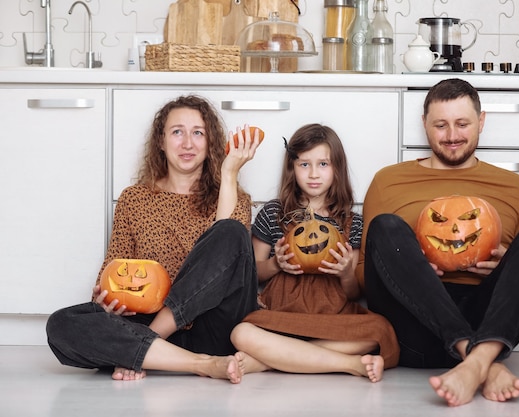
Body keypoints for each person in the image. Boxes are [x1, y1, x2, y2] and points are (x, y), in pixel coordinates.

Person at [357, 78, 519, 406]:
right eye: (441, 125)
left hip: (486, 318)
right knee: (386, 226)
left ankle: (474, 362)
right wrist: (413, 267)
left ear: (481, 122)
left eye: (462, 123)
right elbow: (364, 277)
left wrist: (505, 265)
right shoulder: (388, 181)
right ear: (424, 125)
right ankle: (482, 362)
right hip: (414, 327)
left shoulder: (515, 187)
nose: (452, 136)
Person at [46, 95, 262, 383]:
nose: (187, 143)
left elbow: (226, 250)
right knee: (61, 324)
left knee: (231, 231)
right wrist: (105, 301)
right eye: (177, 132)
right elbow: (113, 271)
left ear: (210, 143)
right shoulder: (133, 200)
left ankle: (141, 347)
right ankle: (201, 364)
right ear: (161, 142)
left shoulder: (234, 195)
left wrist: (229, 173)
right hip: (151, 327)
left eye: (198, 133)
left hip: (214, 326)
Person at [230, 123, 399, 383]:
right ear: (292, 168)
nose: (313, 174)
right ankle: (348, 363)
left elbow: (354, 292)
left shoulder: (351, 223)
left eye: (323, 164)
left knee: (379, 330)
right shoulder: (273, 214)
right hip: (281, 317)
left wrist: (345, 273)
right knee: (241, 333)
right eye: (304, 164)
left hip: (332, 319)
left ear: (337, 169)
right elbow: (253, 273)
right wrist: (277, 264)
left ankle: (269, 362)